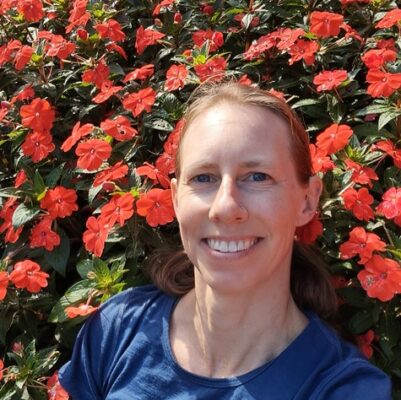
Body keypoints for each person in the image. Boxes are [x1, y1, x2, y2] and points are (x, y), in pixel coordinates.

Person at [59, 82, 392, 399]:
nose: (225, 207)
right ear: (175, 199)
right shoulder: (118, 330)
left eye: (257, 177)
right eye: (203, 178)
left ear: (307, 200)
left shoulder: (343, 389)